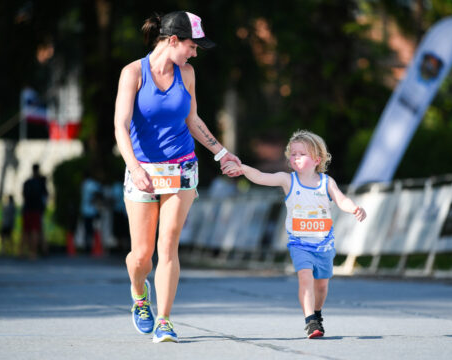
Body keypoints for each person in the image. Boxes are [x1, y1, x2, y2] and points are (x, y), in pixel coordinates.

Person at [114, 10, 240, 343]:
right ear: (173, 40)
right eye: (192, 45)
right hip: (142, 169)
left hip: (182, 167)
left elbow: (193, 120)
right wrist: (134, 168)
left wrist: (221, 152)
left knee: (167, 245)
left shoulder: (187, 74)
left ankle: (165, 320)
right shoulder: (132, 73)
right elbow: (120, 126)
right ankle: (139, 295)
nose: (195, 52)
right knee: (141, 255)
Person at [223, 130, 366, 339]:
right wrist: (243, 168)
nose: (296, 157)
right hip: (299, 243)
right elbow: (262, 177)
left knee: (322, 285)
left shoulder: (326, 182)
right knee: (305, 277)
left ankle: (317, 312)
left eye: (302, 154)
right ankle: (310, 321)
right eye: (293, 154)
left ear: (317, 159)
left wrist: (354, 208)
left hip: (323, 244)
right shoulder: (287, 180)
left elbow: (341, 200)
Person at [21, 163, 48, 258]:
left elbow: (23, 195)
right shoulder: (41, 182)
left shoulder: (27, 182)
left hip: (27, 209)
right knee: (35, 231)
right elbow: (45, 196)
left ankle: (21, 252)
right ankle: (33, 252)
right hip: (36, 210)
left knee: (25, 231)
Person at [80, 172, 102, 254]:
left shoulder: (84, 184)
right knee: (93, 230)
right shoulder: (92, 184)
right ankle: (93, 246)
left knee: (87, 230)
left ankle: (87, 246)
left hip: (85, 210)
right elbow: (98, 193)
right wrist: (94, 200)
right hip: (93, 210)